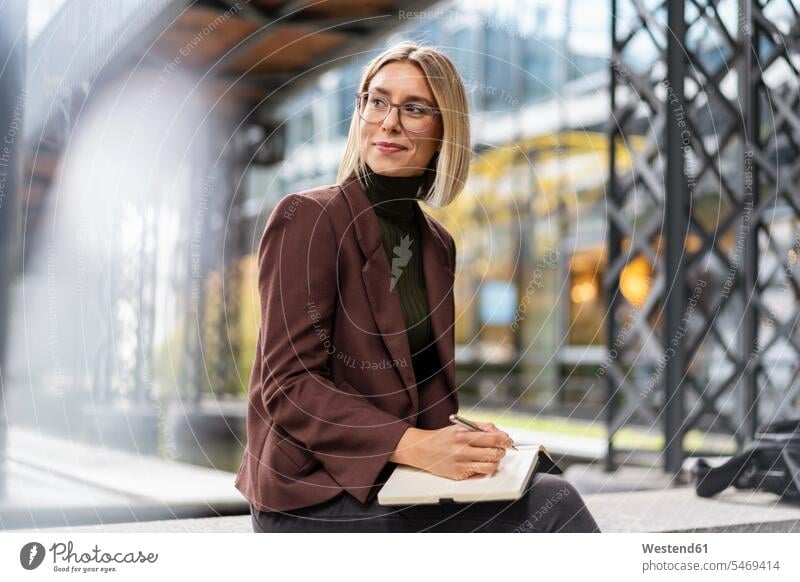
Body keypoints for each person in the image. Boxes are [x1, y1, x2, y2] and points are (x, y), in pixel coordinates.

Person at [234, 40, 600, 533]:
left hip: (396, 480)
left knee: (546, 491)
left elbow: (426, 396)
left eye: (414, 109)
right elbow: (290, 388)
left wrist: (467, 440)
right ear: (360, 111)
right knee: (554, 506)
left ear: (444, 129)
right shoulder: (309, 218)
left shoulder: (435, 245)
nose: (389, 122)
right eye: (377, 101)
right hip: (311, 493)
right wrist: (413, 446)